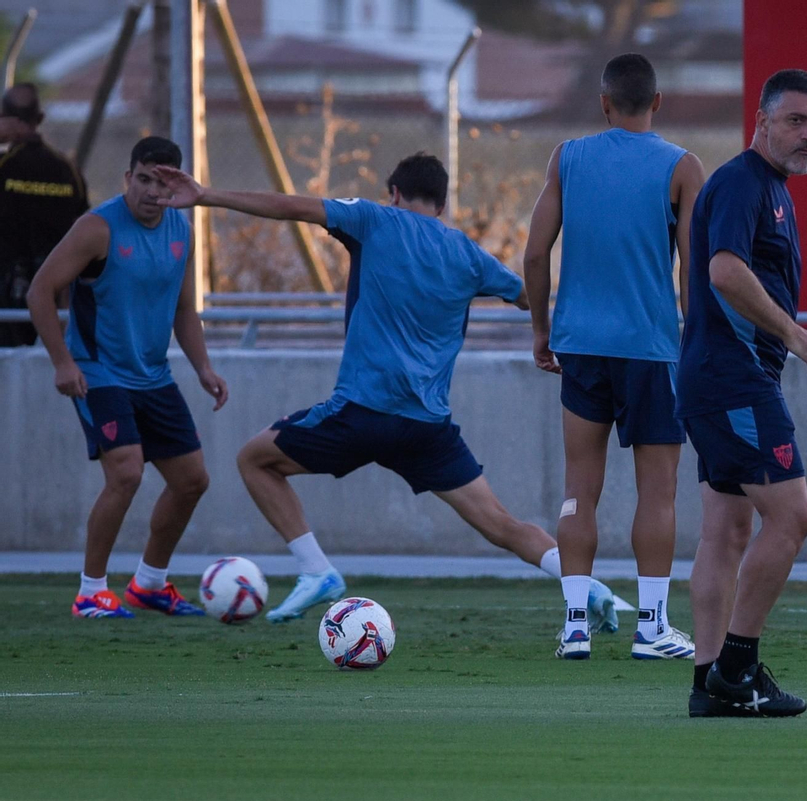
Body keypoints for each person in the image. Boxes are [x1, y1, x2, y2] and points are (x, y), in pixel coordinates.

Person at [152, 153, 585, 623]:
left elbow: (291, 205)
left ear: (394, 194)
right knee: (502, 524)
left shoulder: (373, 219)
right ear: (441, 205)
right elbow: (525, 293)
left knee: (254, 460)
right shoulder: (467, 254)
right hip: (427, 428)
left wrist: (206, 195)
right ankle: (590, 591)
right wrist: (549, 334)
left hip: (362, 413)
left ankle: (316, 571)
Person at [523, 53, 705, 661]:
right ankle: (651, 628)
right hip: (651, 350)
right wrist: (695, 344)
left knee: (579, 487)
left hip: (580, 347)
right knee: (658, 494)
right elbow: (692, 273)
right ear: (658, 102)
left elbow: (534, 255)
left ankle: (575, 624)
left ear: (603, 103)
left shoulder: (567, 157)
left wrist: (542, 331)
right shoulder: (683, 166)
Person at [677, 69, 807, 718]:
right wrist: (792, 333)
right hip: (732, 377)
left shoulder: (770, 187)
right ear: (762, 122)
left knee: (726, 530)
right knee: (793, 517)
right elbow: (723, 270)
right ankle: (738, 667)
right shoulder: (743, 181)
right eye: (796, 120)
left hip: (717, 377)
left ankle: (707, 683)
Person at [26, 136, 227, 618]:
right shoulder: (97, 228)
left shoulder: (181, 231)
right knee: (126, 473)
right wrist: (63, 362)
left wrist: (203, 367)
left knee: (192, 481)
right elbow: (39, 291)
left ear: (177, 185)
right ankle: (90, 592)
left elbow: (184, 309)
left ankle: (149, 584)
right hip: (98, 372)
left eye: (163, 183)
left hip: (153, 376)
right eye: (143, 179)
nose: (152, 191)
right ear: (127, 178)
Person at [1, 83, 89, 347]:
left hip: (7, 281)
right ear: (39, 118)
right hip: (56, 285)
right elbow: (82, 222)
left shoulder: (5, 165)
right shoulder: (66, 168)